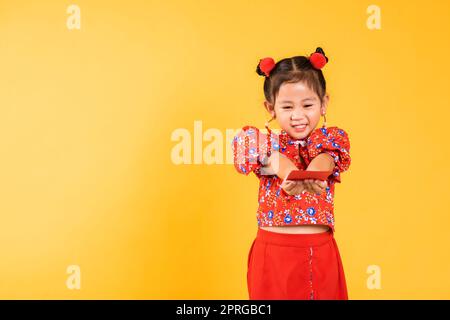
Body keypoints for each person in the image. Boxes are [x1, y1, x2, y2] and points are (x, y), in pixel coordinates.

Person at [231, 47, 351, 300]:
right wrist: (282, 165)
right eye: (287, 107)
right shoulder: (263, 142)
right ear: (271, 108)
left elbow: (325, 161)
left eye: (307, 104)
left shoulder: (331, 140)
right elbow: (251, 151)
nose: (298, 116)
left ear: (324, 103)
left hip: (319, 254)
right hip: (272, 255)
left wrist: (310, 176)